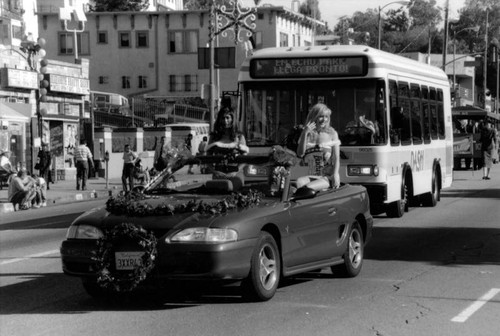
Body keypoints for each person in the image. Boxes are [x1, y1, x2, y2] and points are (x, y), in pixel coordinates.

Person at [296, 103, 341, 191]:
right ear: (314, 117)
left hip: (326, 177)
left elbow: (336, 158)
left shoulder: (332, 133)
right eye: (321, 116)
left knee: (308, 188)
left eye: (326, 116)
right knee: (298, 182)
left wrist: (335, 174)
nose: (324, 119)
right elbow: (300, 154)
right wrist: (305, 133)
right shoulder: (306, 133)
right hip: (311, 175)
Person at [206, 106, 249, 185]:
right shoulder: (214, 137)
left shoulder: (239, 137)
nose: (225, 121)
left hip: (235, 174)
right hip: (218, 175)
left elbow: (245, 159)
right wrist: (214, 171)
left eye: (227, 118)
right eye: (223, 118)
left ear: (232, 119)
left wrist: (236, 171)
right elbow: (207, 158)